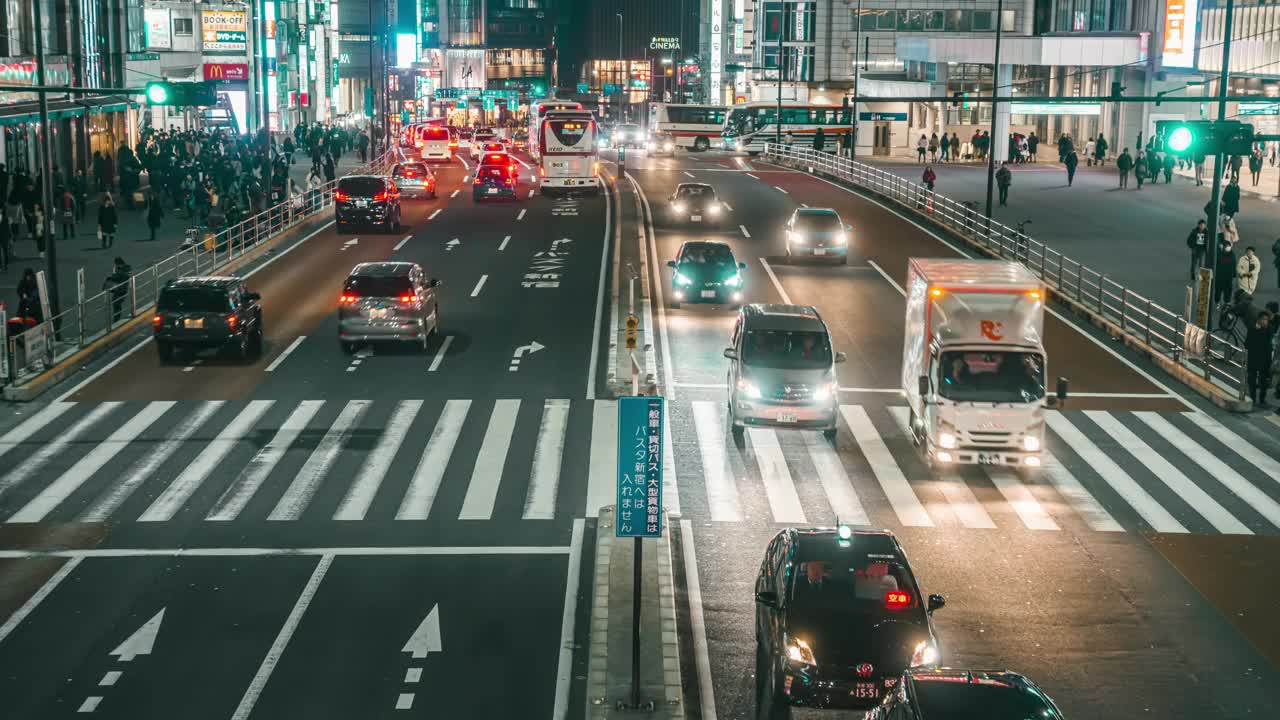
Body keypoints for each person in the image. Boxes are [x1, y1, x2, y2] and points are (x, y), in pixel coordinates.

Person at [1245, 311, 1273, 409]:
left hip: (1265, 359)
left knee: (1263, 380)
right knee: (1252, 379)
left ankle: (1262, 399)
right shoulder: (1252, 329)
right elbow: (1247, 344)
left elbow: (1269, 344)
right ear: (1259, 320)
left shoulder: (1269, 329)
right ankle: (1252, 397)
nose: (1266, 322)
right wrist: (1258, 331)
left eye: (1267, 320)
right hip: (1254, 358)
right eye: (1264, 319)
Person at [102, 256, 132, 323]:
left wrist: (114, 272)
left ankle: (116, 319)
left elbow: (116, 277)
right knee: (116, 304)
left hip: (120, 290)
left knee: (116, 304)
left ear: (118, 263)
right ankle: (116, 318)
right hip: (122, 289)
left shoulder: (122, 270)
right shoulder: (127, 268)